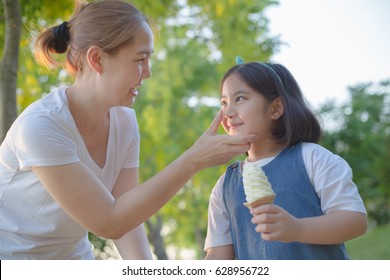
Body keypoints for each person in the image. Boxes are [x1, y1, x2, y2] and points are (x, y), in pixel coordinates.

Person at [0, 1, 256, 260]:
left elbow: (127, 219)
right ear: (97, 59)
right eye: (140, 59)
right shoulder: (41, 126)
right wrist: (193, 160)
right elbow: (109, 222)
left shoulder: (124, 122)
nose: (148, 72)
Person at [204, 57, 367, 260]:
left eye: (240, 99)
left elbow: (355, 221)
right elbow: (219, 255)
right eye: (224, 102)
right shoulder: (224, 186)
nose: (227, 112)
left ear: (275, 108)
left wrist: (297, 228)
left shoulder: (312, 158)